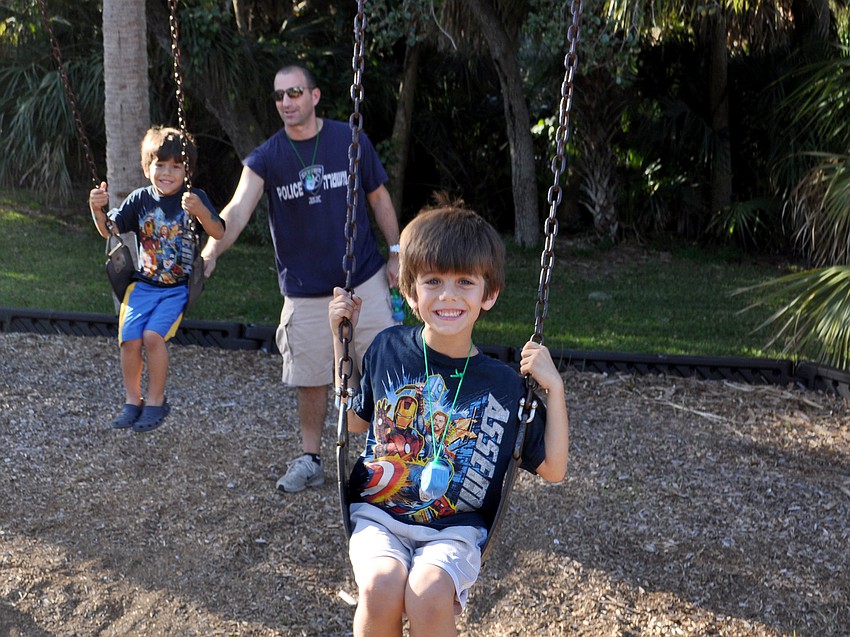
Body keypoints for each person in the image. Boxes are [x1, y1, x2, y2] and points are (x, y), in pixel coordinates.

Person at [328, 197, 569, 637]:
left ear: (488, 294)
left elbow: (553, 469)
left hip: (453, 530)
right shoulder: (387, 348)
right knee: (381, 587)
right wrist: (338, 340)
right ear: (411, 292)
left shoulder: (504, 386)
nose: (448, 295)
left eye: (465, 282)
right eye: (433, 281)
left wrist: (555, 390)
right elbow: (355, 422)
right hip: (380, 514)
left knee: (428, 593)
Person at [201, 64, 400, 493]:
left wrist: (397, 252)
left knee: (383, 371)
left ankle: (387, 460)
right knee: (310, 379)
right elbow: (236, 211)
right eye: (279, 96)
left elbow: (378, 196)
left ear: (314, 96)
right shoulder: (267, 157)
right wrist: (211, 250)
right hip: (305, 293)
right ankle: (311, 459)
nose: (286, 102)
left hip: (363, 281)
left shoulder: (349, 140)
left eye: (294, 93)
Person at [89, 126, 225, 432]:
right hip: (143, 285)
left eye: (176, 167)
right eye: (160, 165)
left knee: (153, 337)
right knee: (129, 339)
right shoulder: (140, 199)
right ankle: (132, 400)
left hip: (176, 289)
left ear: (187, 171)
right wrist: (96, 209)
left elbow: (218, 232)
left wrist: (201, 212)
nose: (167, 173)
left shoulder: (194, 198)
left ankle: (155, 400)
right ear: (146, 167)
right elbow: (109, 230)